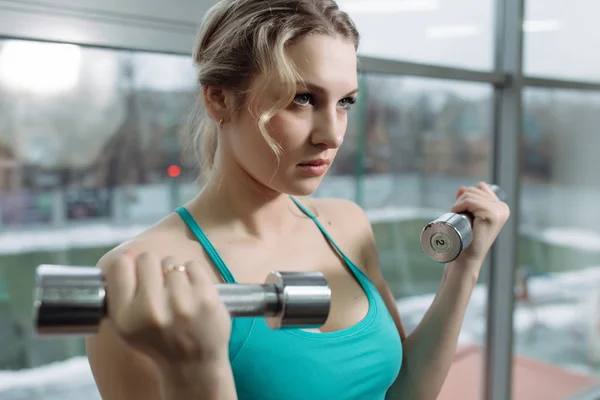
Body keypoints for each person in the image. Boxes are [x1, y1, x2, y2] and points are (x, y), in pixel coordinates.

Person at [85, 1, 510, 399]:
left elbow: (405, 390)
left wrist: (464, 269)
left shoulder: (346, 225)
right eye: (302, 98)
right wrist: (196, 369)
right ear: (219, 98)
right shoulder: (142, 273)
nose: (333, 134)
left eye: (345, 102)